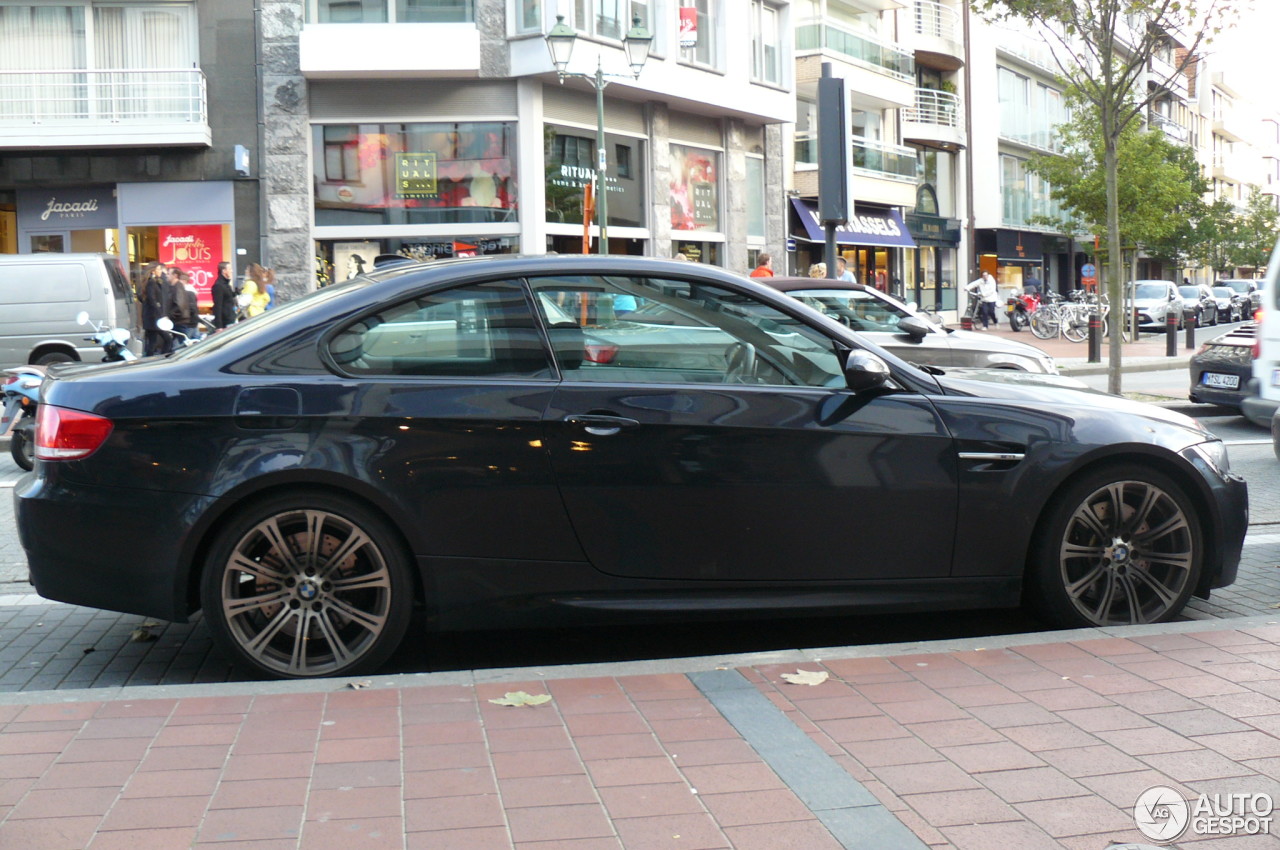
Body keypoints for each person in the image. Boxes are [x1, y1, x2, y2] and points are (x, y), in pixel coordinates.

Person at [140, 262, 172, 356]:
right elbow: (152, 300)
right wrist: (162, 315)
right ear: (153, 271)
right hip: (154, 318)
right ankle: (163, 357)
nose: (160, 271)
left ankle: (150, 359)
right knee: (166, 339)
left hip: (153, 318)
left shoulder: (155, 281)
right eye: (159, 269)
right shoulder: (151, 282)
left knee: (152, 342)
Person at [167, 269, 200, 347]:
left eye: (168, 274)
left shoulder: (179, 288)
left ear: (175, 276)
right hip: (180, 320)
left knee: (184, 344)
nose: (167, 276)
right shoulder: (174, 287)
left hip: (180, 320)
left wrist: (169, 314)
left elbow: (180, 304)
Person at [211, 262, 237, 330]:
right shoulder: (219, 286)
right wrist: (219, 326)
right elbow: (218, 306)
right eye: (230, 269)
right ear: (224, 271)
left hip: (230, 318)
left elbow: (228, 298)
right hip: (225, 321)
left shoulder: (226, 284)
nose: (232, 271)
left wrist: (235, 293)